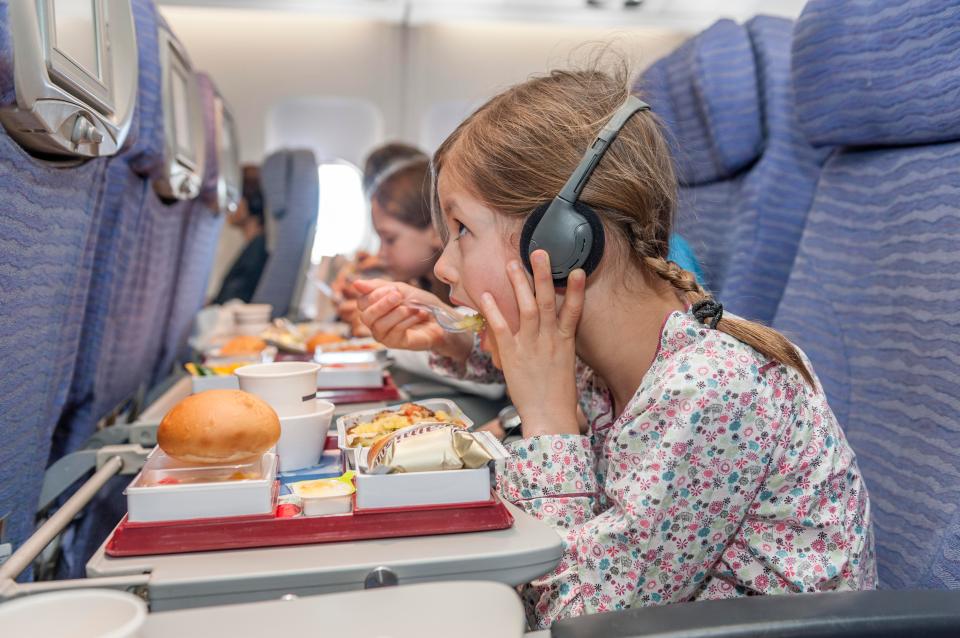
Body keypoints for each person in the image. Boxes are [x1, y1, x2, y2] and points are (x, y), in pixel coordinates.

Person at [353, 64, 876, 628]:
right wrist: (449, 341)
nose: (443, 265)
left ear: (557, 240)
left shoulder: (709, 393)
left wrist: (550, 424)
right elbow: (535, 362)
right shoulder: (611, 357)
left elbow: (577, 621)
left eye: (461, 230)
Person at [212, 166, 269, 305]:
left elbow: (229, 301)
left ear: (251, 202)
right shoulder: (256, 245)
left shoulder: (257, 249)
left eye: (233, 195)